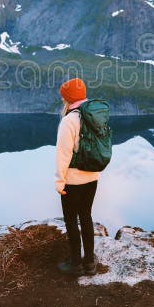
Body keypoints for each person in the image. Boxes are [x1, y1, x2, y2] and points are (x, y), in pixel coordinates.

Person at [55, 77, 100, 276]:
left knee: (71, 220)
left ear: (68, 99)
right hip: (92, 177)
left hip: (73, 181)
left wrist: (59, 181)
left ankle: (75, 264)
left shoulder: (69, 121)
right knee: (86, 216)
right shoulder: (95, 116)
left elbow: (63, 155)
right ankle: (90, 262)